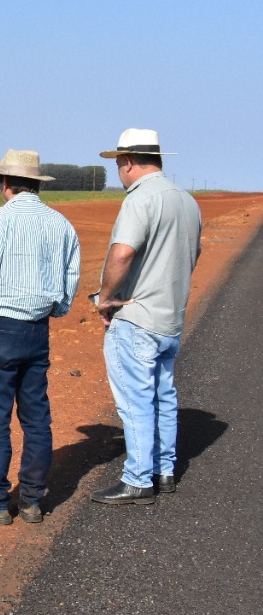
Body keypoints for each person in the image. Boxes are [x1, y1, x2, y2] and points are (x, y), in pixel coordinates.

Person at [0, 150, 81, 525]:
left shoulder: (0, 220)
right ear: (38, 184)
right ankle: (30, 500)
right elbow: (70, 277)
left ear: (4, 183)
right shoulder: (60, 223)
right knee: (36, 417)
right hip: (37, 330)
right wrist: (56, 310)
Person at [91, 129, 201, 505]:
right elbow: (191, 256)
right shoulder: (186, 201)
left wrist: (106, 299)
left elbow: (122, 253)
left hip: (137, 316)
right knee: (163, 395)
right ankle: (164, 470)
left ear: (128, 162)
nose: (118, 172)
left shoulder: (140, 200)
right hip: (171, 317)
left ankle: (138, 478)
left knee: (136, 400)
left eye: (118, 164)